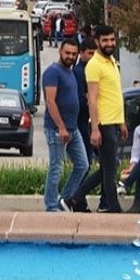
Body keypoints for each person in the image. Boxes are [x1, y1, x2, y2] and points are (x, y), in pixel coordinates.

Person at [75, 25, 127, 213]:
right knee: (110, 168)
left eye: (112, 40)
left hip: (113, 122)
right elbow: (93, 98)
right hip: (102, 124)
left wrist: (121, 122)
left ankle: (75, 198)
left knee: (108, 167)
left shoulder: (111, 60)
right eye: (105, 40)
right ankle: (113, 207)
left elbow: (114, 94)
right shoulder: (94, 65)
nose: (109, 44)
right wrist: (95, 129)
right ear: (97, 42)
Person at [42, 39, 88, 213]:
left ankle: (64, 199)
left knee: (83, 165)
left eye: (74, 54)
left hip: (72, 128)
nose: (70, 56)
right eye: (67, 53)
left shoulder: (69, 72)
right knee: (56, 167)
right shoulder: (53, 72)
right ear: (60, 51)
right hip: (56, 129)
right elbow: (50, 101)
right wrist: (61, 127)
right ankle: (51, 205)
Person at [68, 37, 97, 212]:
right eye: (90, 53)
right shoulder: (79, 72)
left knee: (88, 164)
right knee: (84, 164)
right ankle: (78, 200)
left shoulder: (88, 70)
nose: (93, 57)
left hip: (87, 122)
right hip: (81, 123)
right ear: (82, 53)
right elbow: (80, 98)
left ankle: (79, 200)